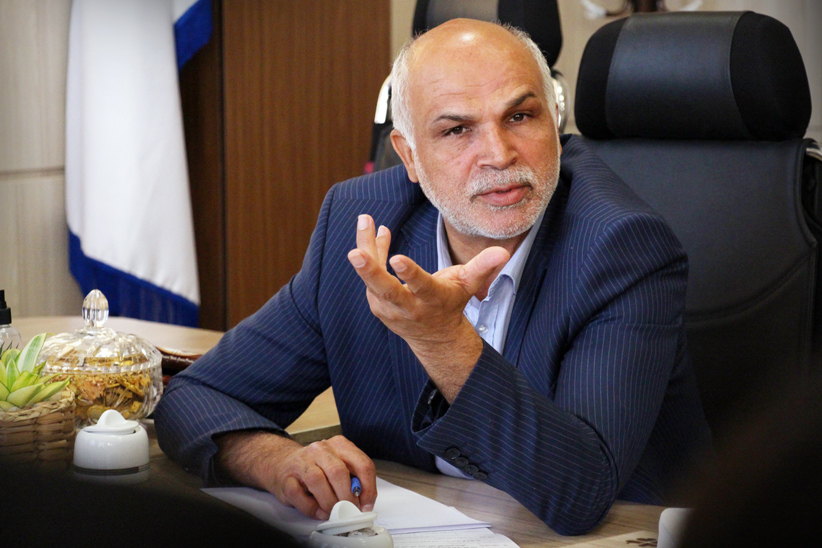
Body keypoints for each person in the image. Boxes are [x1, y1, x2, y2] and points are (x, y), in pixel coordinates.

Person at [155, 19, 711, 536]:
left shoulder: (622, 247)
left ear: (554, 121)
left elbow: (577, 492)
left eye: (520, 117)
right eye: (457, 130)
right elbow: (198, 394)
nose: (499, 154)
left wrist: (443, 340)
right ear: (409, 156)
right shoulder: (365, 226)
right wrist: (276, 461)